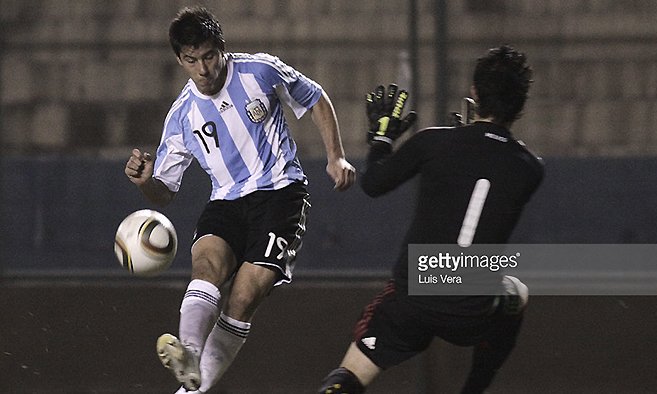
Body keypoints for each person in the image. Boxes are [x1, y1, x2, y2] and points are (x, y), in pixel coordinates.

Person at [124, 6, 355, 393]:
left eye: (209, 56)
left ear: (222, 47)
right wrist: (145, 182)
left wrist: (336, 155)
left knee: (244, 296)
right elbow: (164, 192)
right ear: (180, 60)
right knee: (205, 267)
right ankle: (189, 360)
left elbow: (316, 98)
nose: (204, 69)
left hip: (280, 192)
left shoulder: (259, 70)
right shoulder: (182, 116)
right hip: (227, 200)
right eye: (191, 60)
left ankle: (192, 382)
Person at [318, 45, 543, 393]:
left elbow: (374, 183)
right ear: (521, 105)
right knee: (518, 294)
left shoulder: (434, 142)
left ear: (474, 93)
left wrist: (381, 139)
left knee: (350, 373)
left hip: (413, 297)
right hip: (471, 308)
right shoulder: (530, 169)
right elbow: (488, 165)